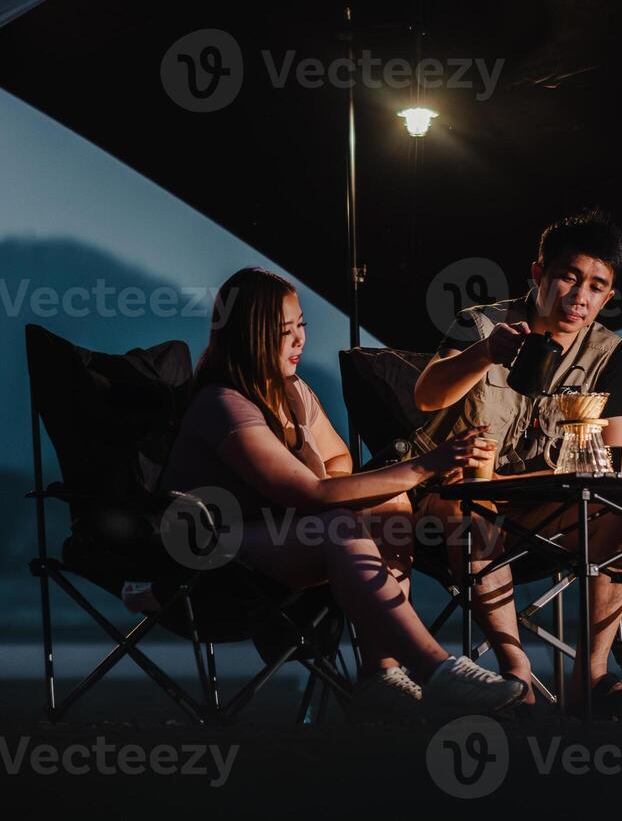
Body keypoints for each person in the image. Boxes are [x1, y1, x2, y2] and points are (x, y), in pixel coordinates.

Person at [160, 267, 526, 716]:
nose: (299, 340)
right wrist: (426, 465)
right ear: (249, 336)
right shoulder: (225, 404)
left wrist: (337, 483)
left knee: (388, 503)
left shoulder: (292, 391)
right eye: (284, 331)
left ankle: (381, 672)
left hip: (287, 533)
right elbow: (310, 493)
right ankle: (438, 671)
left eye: (301, 327)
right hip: (217, 551)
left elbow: (338, 464)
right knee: (337, 522)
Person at [411, 208, 622, 719]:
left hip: (540, 506)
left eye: (596, 286)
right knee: (475, 512)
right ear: (539, 275)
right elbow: (426, 395)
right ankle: (517, 679)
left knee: (621, 522)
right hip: (451, 498)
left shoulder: (608, 351)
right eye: (568, 278)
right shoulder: (482, 324)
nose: (579, 297)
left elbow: (612, 460)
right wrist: (486, 353)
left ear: (609, 295)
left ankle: (591, 680)